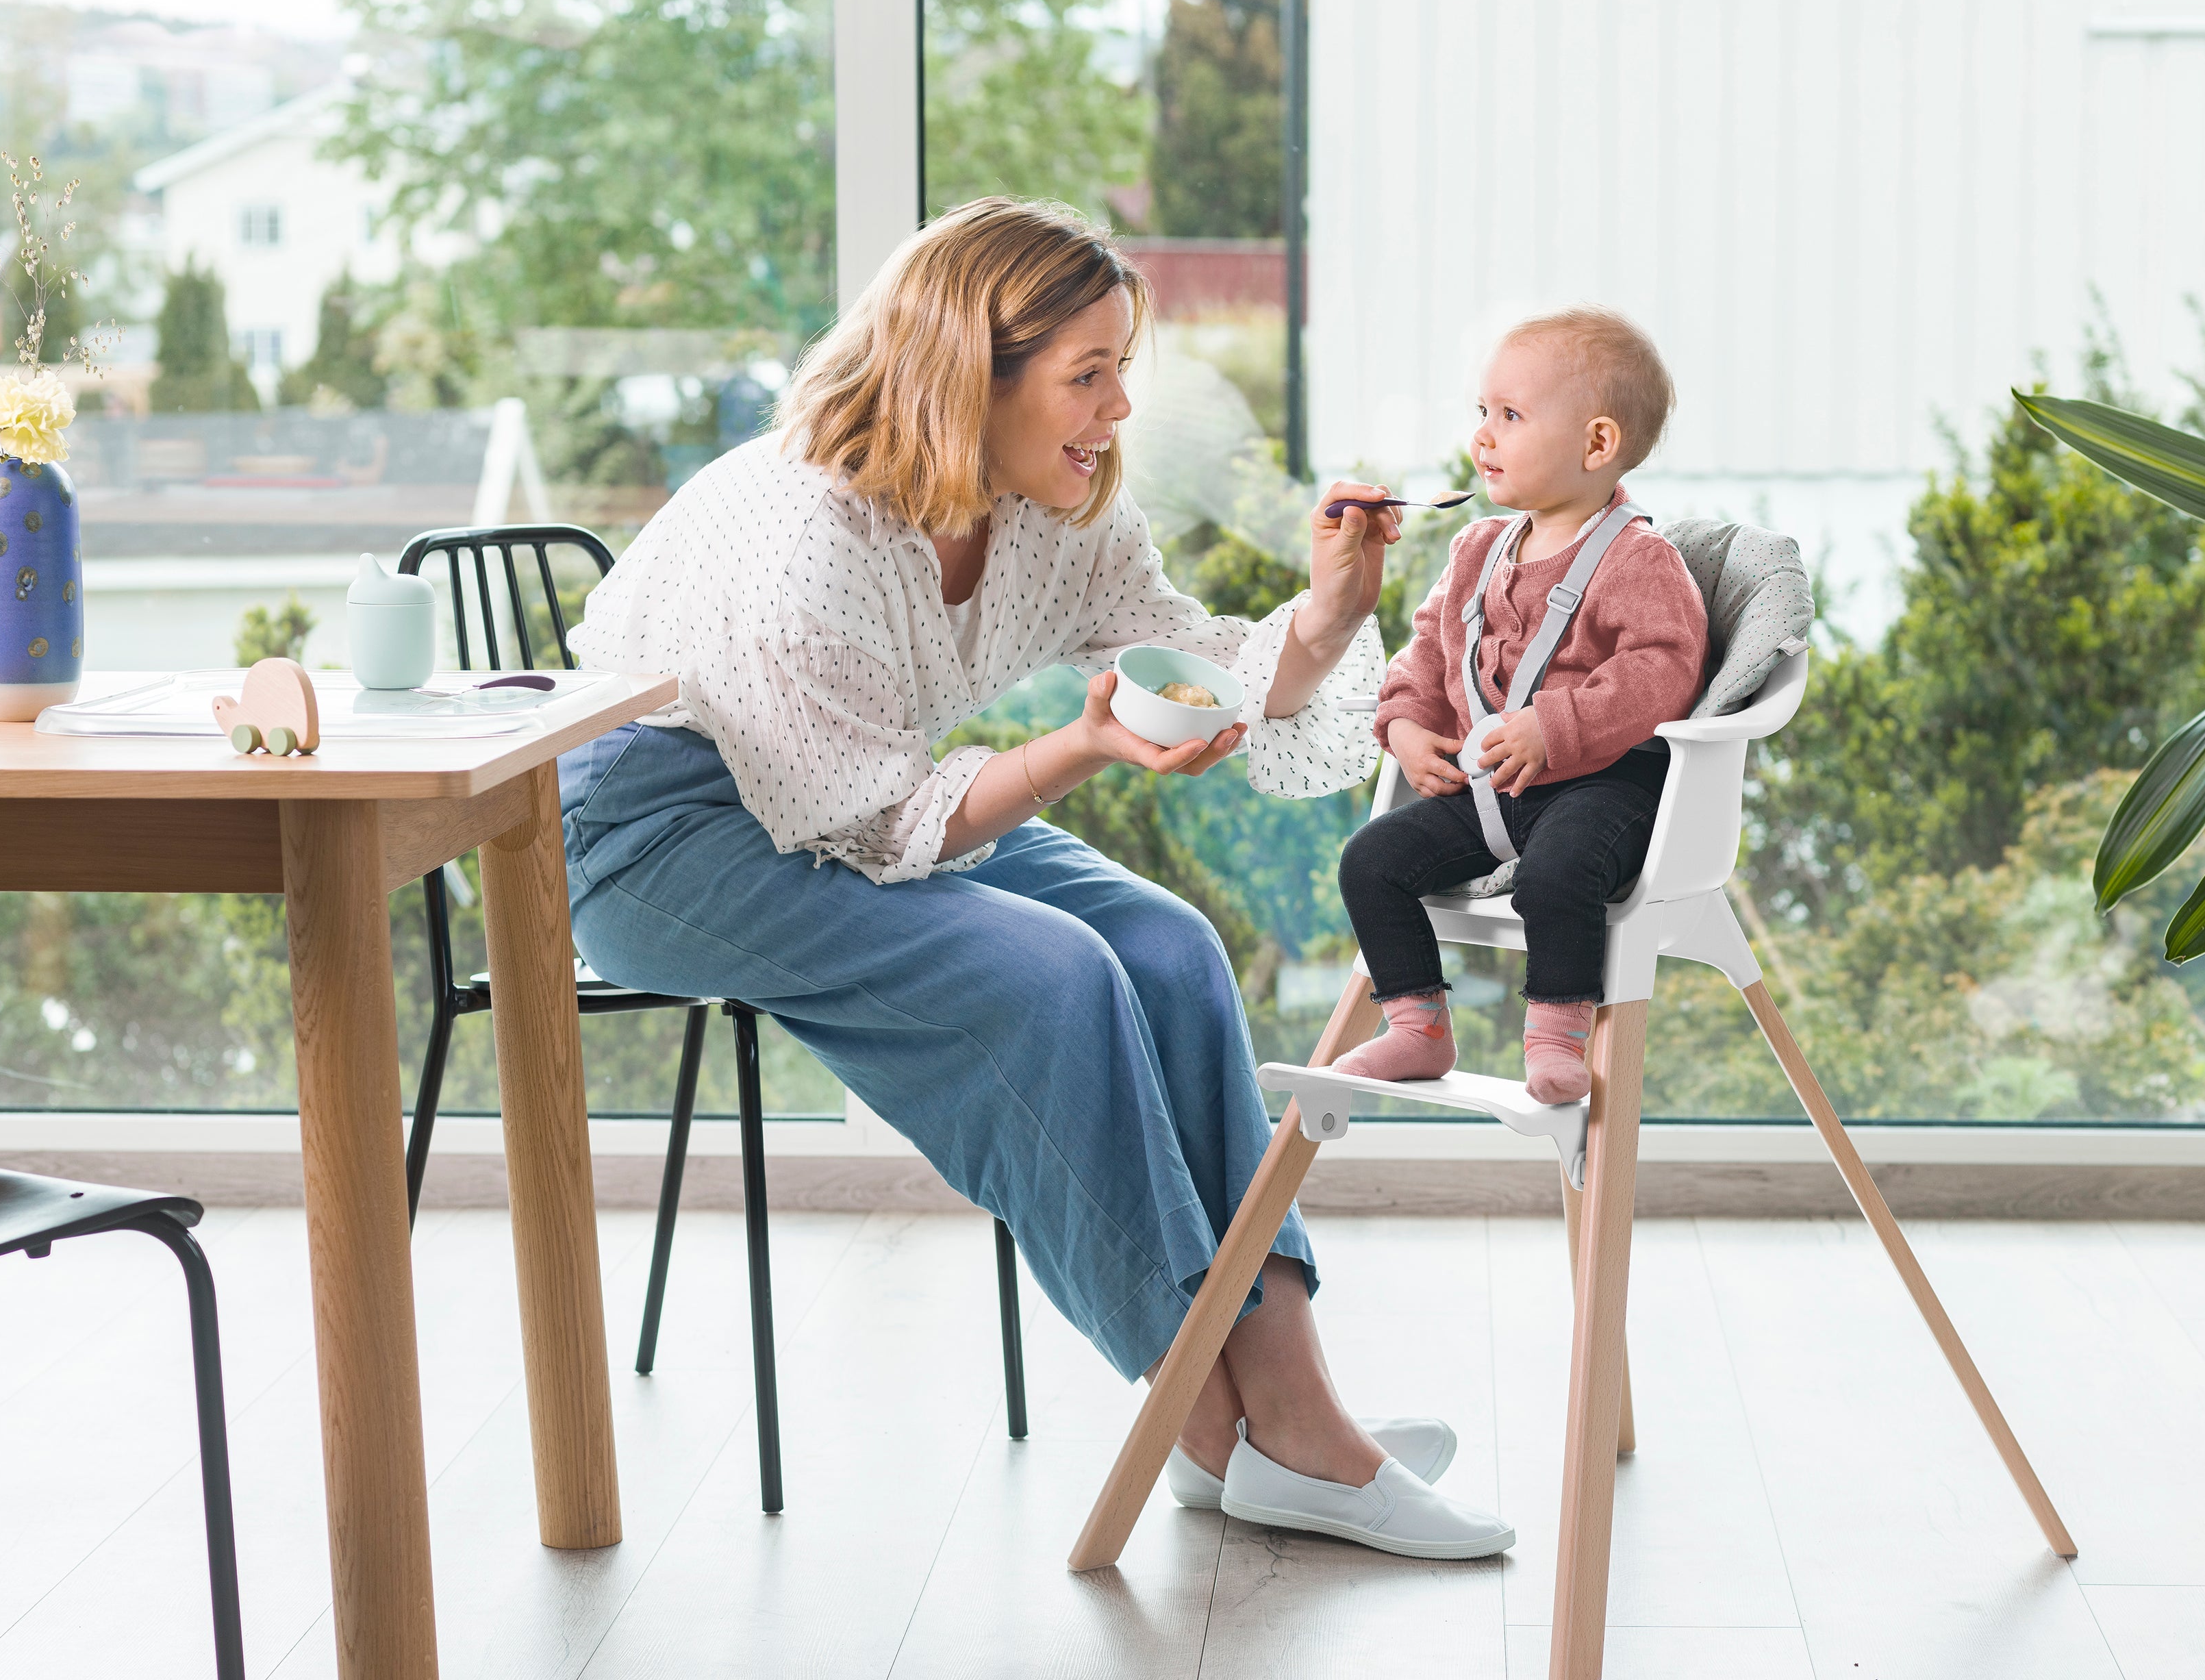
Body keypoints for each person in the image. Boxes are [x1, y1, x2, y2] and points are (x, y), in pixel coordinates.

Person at [562, 197, 1513, 1559]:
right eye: (1087, 374)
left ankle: (1284, 1413)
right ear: (968, 374)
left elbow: (1202, 667)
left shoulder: (1049, 507)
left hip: (856, 791)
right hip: (656, 836)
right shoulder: (802, 541)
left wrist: (1329, 611)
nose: (1118, 405)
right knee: (1053, 977)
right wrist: (1077, 743)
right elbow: (888, 819)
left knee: (1170, 946)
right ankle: (1214, 1428)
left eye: (1121, 367)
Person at [1335, 308, 1710, 1103]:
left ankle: (1555, 1035)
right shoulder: (1475, 549)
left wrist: (1556, 725)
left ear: (1597, 444)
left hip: (1602, 789)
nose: (1482, 436)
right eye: (1482, 413)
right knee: (1371, 860)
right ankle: (1416, 1027)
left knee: (1558, 873)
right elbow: (1429, 650)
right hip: (1492, 793)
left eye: (1509, 416)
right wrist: (1404, 725)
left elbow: (1665, 667)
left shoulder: (1641, 560)